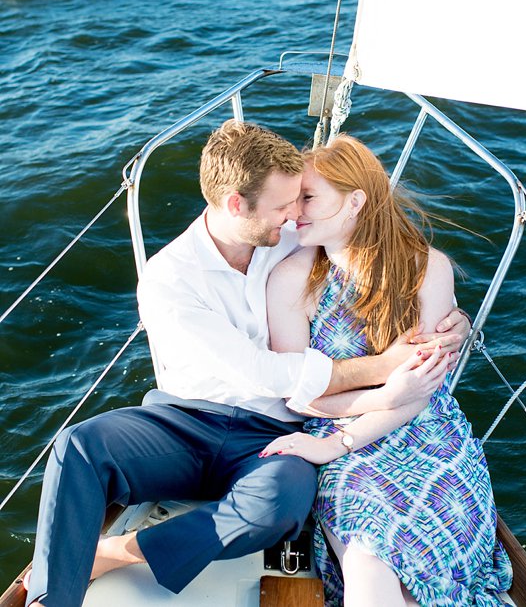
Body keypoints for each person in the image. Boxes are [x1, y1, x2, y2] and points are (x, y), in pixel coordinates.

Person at [25, 121, 470, 607]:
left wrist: (456, 320)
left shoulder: (289, 236)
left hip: (270, 431)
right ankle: (50, 599)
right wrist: (386, 370)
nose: (293, 216)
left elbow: (369, 249)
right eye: (282, 206)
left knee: (278, 506)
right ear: (237, 204)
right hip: (181, 424)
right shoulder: (170, 280)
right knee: (78, 446)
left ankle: (119, 552)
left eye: (299, 201)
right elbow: (266, 372)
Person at [261, 134, 513, 607]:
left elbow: (421, 391)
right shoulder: (291, 280)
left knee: (430, 564)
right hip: (343, 440)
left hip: (429, 433)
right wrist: (336, 443)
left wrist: (336, 443)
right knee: (367, 559)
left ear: (355, 200)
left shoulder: (426, 269)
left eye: (309, 197)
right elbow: (302, 394)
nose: (296, 210)